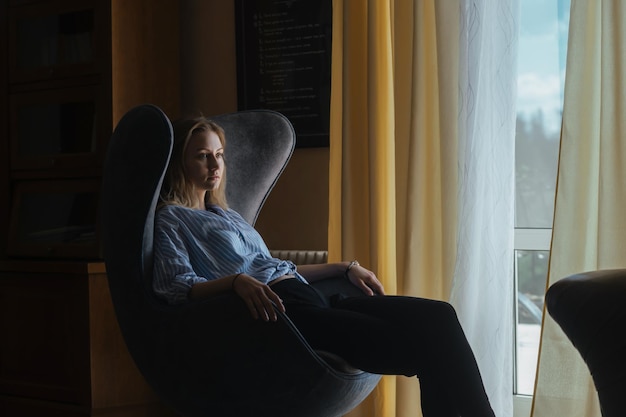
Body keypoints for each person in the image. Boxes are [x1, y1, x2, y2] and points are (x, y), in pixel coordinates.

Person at [152, 116, 496, 417]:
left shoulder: (227, 215)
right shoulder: (172, 219)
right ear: (180, 163)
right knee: (427, 348)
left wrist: (344, 268)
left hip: (313, 296)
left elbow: (275, 266)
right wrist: (234, 282)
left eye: (219, 155)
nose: (215, 165)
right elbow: (174, 285)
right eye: (202, 156)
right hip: (286, 317)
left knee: (440, 316)